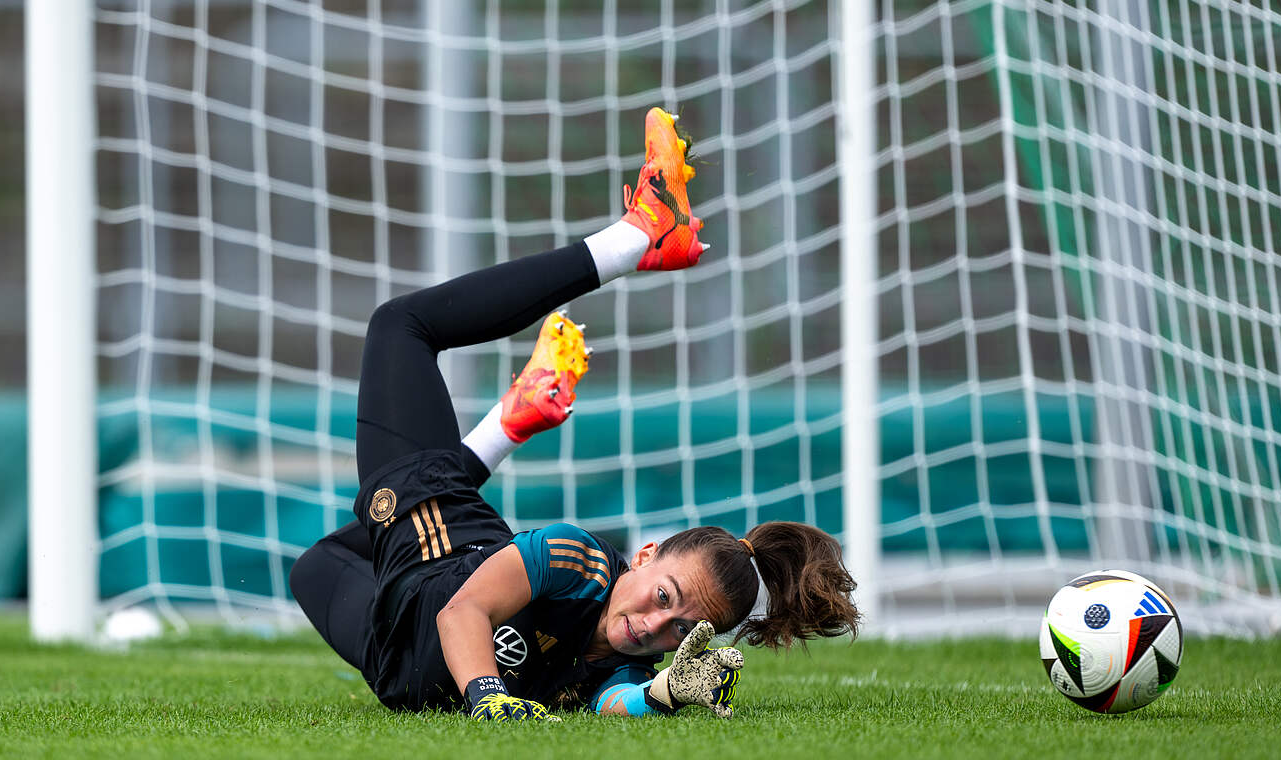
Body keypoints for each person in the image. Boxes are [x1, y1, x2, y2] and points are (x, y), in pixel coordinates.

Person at [289, 108, 861, 721]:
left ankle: (508, 424)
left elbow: (619, 696)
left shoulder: (629, 661)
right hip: (434, 556)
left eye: (681, 631)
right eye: (664, 596)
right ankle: (634, 239)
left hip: (394, 658)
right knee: (400, 326)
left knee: (314, 569)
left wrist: (663, 694)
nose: (654, 625)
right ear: (643, 558)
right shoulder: (576, 558)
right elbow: (462, 613)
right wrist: (490, 702)